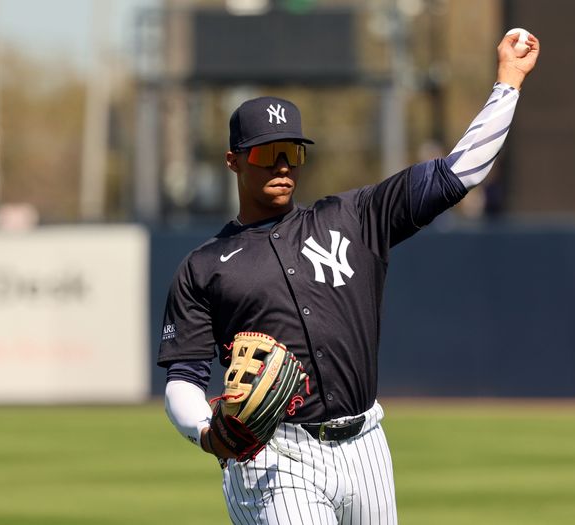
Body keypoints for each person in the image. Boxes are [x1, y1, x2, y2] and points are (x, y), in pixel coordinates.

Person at [158, 30, 540, 525]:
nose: (280, 164)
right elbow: (181, 380)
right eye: (263, 152)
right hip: (274, 457)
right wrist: (208, 431)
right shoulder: (205, 266)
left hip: (366, 448)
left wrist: (508, 80)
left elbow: (458, 174)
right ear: (233, 160)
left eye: (291, 152)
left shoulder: (354, 217)